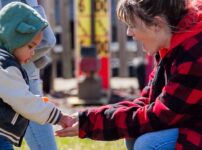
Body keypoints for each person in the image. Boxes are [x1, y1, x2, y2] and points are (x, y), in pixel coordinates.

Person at [56, 0, 202, 149]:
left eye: (133, 26)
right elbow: (147, 101)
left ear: (157, 24)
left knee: (148, 143)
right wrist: (88, 119)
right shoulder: (172, 44)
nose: (129, 32)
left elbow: (159, 116)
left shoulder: (195, 54)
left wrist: (91, 123)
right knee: (133, 134)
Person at [0, 2, 74, 149]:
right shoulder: (5, 69)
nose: (33, 53)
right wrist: (58, 116)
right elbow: (24, 103)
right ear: (14, 40)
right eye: (30, 46)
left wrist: (37, 101)